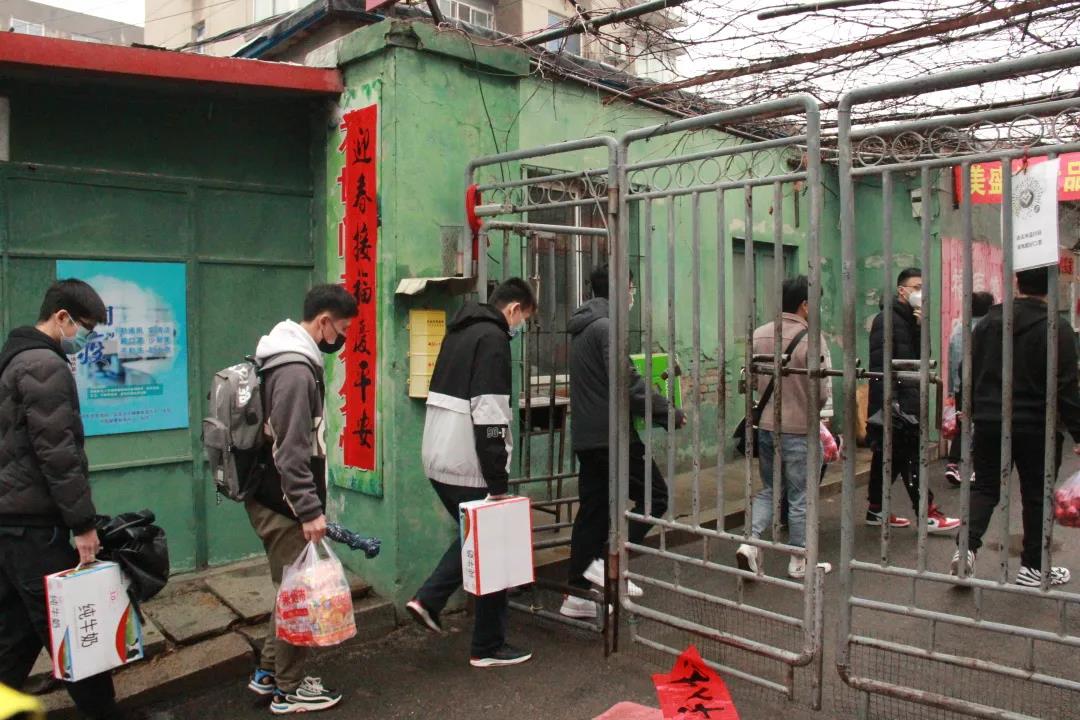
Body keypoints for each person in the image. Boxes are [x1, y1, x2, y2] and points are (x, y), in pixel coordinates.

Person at [0, 279, 121, 720]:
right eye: (85, 328)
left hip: (12, 523)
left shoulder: (14, 358)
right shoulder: (44, 365)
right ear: (62, 317)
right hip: (34, 526)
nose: (86, 338)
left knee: (14, 635)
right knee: (73, 629)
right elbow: (58, 454)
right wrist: (83, 524)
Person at [406, 278, 537, 668]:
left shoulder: (458, 332)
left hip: (438, 456)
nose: (521, 327)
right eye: (525, 319)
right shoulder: (493, 340)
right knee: (487, 542)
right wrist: (498, 479)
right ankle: (478, 639)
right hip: (468, 462)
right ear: (513, 309)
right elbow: (490, 415)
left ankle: (440, 608)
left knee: (477, 542)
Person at [244, 284, 358, 715]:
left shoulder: (286, 357)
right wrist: (309, 511)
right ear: (324, 322)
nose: (341, 339)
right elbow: (291, 451)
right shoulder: (294, 370)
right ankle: (289, 690)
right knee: (299, 595)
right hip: (283, 503)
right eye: (341, 329)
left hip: (275, 497)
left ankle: (267, 674)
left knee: (288, 589)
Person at [559, 265, 686, 620]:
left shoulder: (584, 328)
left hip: (588, 438)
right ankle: (609, 562)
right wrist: (668, 412)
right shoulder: (606, 328)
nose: (632, 295)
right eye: (630, 287)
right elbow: (627, 383)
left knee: (594, 510)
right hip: (611, 438)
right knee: (655, 497)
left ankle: (576, 593)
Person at [952, 267, 1080, 586]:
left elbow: (967, 368)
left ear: (1017, 282)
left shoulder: (988, 323)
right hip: (1037, 426)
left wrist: (969, 408)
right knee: (1037, 494)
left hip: (990, 421)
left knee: (985, 488)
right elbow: (1067, 386)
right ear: (1051, 285)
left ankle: (966, 549)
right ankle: (1033, 568)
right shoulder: (1057, 327)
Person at [735, 276, 832, 580]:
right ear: (805, 305)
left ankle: (750, 543)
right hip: (800, 428)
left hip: (766, 426)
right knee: (800, 496)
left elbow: (752, 380)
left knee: (770, 489)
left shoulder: (760, 333)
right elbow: (822, 391)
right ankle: (799, 560)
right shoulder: (812, 338)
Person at [866, 268, 960, 532]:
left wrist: (920, 328)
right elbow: (880, 367)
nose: (921, 293)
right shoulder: (886, 320)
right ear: (902, 291)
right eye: (916, 287)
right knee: (910, 458)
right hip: (896, 402)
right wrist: (891, 405)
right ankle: (927, 513)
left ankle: (876, 509)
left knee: (888, 457)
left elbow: (921, 361)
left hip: (906, 398)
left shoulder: (911, 320)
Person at [944, 292, 995, 486]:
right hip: (984, 388)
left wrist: (951, 390)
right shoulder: (989, 329)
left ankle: (952, 464)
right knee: (982, 427)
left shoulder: (959, 329)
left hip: (961, 388)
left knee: (962, 425)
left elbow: (951, 362)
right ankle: (977, 470)